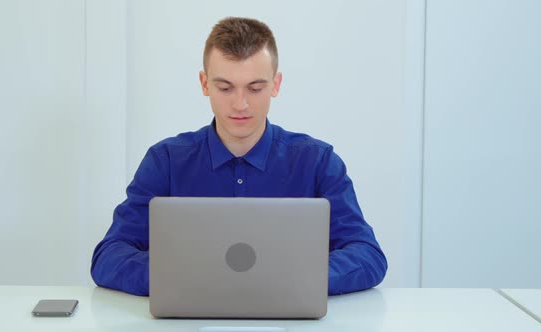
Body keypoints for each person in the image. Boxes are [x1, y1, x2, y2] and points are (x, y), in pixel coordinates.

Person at [91, 17, 387, 296]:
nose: (241, 103)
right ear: (205, 84)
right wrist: (182, 277)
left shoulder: (317, 162)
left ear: (276, 84)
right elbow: (109, 256)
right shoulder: (165, 161)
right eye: (225, 87)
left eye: (255, 88)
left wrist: (297, 279)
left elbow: (367, 254)